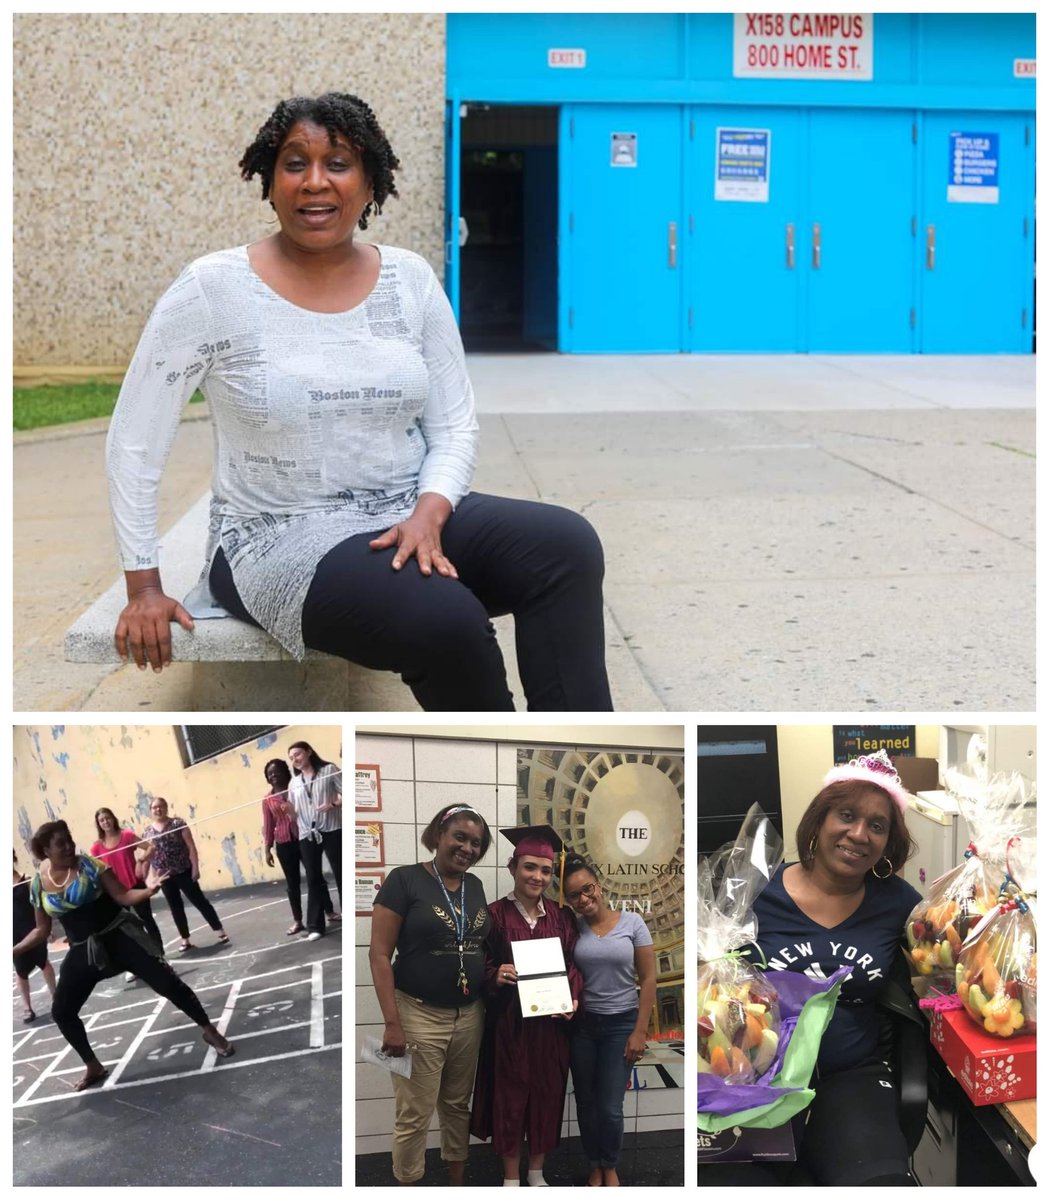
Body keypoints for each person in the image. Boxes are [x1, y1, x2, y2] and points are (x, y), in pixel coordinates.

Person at [105, 91, 612, 713]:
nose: (315, 181)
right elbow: (134, 441)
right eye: (295, 163)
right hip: (275, 539)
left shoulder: (410, 280)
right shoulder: (212, 290)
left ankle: (567, 736)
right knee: (445, 618)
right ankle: (498, 755)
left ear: (371, 183)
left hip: (408, 515)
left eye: (338, 163)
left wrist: (429, 514)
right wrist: (144, 585)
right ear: (270, 181)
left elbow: (453, 426)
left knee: (565, 545)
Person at [702, 749, 922, 1187]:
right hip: (752, 1081)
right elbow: (710, 989)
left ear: (887, 844)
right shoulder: (754, 894)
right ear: (819, 820)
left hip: (851, 1077)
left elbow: (940, 967)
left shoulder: (898, 903)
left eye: (877, 826)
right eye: (846, 815)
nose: (859, 834)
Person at [12, 820, 233, 1090]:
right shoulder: (38, 884)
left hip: (118, 936)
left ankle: (209, 1031)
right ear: (45, 850)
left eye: (69, 839)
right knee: (62, 1011)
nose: (69, 846)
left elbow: (123, 895)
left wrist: (148, 890)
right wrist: (13, 950)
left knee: (167, 982)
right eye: (61, 844)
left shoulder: (90, 866)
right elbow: (41, 930)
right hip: (84, 949)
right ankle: (93, 1065)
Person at [368, 804, 493, 1186]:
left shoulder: (475, 886)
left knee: (457, 1106)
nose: (468, 848)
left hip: (469, 1015)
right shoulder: (403, 880)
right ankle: (409, 1184)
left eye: (476, 843)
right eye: (460, 837)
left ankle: (456, 1184)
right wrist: (393, 1023)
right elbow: (378, 954)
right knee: (415, 1113)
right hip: (418, 1016)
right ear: (439, 834)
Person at [470, 825, 583, 1188]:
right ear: (512, 867)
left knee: (547, 1094)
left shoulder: (561, 917)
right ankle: (511, 1178)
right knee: (510, 1096)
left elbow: (573, 966)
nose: (538, 876)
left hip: (551, 1026)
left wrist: (573, 998)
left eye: (546, 870)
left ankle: (537, 1174)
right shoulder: (493, 915)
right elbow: (476, 964)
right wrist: (494, 974)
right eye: (530, 867)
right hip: (510, 1025)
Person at [563, 857, 656, 1187]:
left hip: (621, 1026)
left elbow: (647, 979)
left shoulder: (633, 923)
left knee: (610, 1106)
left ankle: (610, 1162)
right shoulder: (572, 928)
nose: (584, 899)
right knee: (586, 1102)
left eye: (588, 888)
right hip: (584, 1027)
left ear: (599, 885)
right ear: (569, 901)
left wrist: (640, 1031)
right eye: (574, 895)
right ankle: (595, 1163)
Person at [139, 797, 229, 953]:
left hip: (183, 871)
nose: (158, 810)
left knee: (199, 901)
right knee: (175, 908)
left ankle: (220, 931)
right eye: (155, 807)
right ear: (151, 811)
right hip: (164, 876)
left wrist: (195, 868)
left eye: (161, 806)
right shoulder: (148, 832)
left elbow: (191, 846)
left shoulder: (177, 824)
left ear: (166, 808)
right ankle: (185, 939)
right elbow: (148, 857)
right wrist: (148, 878)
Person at [90, 807, 164, 980]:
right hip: (116, 893)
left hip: (134, 886)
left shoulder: (127, 836)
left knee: (147, 921)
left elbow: (150, 847)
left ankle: (160, 957)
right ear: (99, 824)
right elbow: (96, 870)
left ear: (113, 819)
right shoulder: (96, 848)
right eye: (102, 820)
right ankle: (136, 965)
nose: (106, 822)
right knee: (129, 929)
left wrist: (141, 860)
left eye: (108, 818)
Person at [288, 741, 342, 941]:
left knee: (340, 872)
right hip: (307, 834)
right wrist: (287, 811)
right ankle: (315, 926)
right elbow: (293, 815)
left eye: (298, 754)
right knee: (313, 878)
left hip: (332, 829)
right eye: (292, 758)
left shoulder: (329, 770)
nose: (295, 760)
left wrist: (333, 804)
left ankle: (352, 916)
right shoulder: (293, 783)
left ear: (309, 752)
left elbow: (348, 793)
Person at [13, 852, 57, 1022]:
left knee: (43, 961)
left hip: (32, 928)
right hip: (13, 933)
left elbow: (40, 905)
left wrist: (47, 928)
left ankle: (56, 997)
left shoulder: (28, 880)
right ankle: (27, 1008)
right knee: (20, 970)